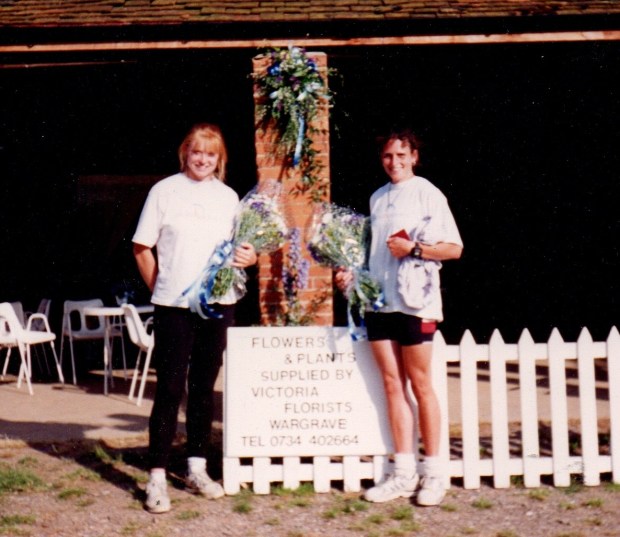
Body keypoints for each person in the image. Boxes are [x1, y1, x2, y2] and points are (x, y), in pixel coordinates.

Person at [132, 123, 257, 514]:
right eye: (196, 152)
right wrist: (163, 289)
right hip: (174, 307)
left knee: (204, 387)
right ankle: (156, 474)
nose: (203, 159)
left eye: (211, 154)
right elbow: (141, 247)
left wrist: (250, 257)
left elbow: (241, 248)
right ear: (185, 153)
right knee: (169, 388)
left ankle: (197, 467)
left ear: (220, 160)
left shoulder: (228, 197)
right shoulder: (164, 191)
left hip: (218, 304)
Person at [336, 127, 462, 506]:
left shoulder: (428, 193)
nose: (394, 162)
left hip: (416, 303)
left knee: (421, 385)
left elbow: (454, 249)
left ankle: (434, 474)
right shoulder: (377, 198)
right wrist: (352, 276)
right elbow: (374, 256)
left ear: (414, 156)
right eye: (388, 156)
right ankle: (403, 473)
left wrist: (415, 249)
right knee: (393, 385)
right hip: (380, 303)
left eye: (401, 155)